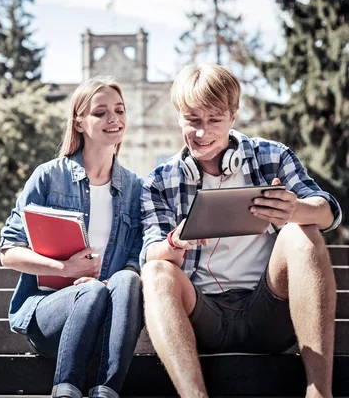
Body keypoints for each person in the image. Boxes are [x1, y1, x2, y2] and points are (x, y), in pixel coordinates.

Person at [140, 63, 342, 398]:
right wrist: (174, 241)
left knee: (301, 232)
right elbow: (151, 250)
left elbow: (327, 211)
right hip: (203, 317)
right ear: (179, 117)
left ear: (233, 117)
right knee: (156, 269)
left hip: (268, 312)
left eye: (214, 120)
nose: (202, 133)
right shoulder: (160, 181)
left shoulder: (273, 157)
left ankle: (319, 394)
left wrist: (295, 209)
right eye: (193, 121)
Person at [0, 75, 144, 398]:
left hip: (109, 318)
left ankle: (107, 390)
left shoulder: (136, 189)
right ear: (79, 122)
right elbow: (8, 251)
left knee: (129, 280)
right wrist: (66, 269)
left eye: (120, 111)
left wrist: (112, 282)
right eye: (101, 112)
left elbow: (136, 259)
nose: (114, 119)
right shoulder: (49, 177)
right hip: (51, 315)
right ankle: (65, 389)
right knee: (89, 291)